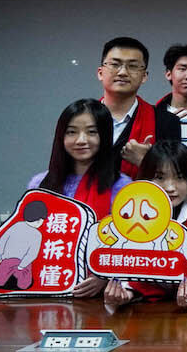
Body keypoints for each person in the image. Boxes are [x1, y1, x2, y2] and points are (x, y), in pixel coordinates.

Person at [103, 140, 187, 308]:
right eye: (160, 177)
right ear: (145, 178)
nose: (170, 187)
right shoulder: (129, 218)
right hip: (146, 312)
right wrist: (125, 292)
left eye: (180, 177)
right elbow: (127, 271)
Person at [22, 99, 128, 297]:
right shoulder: (39, 184)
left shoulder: (122, 187)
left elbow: (129, 246)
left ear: (105, 136)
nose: (81, 140)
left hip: (101, 297)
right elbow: (26, 237)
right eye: (71, 132)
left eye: (91, 132)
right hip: (46, 286)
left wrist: (105, 276)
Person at [96, 36, 182, 178]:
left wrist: (146, 162)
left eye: (133, 66)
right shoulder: (81, 117)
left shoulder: (166, 122)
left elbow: (174, 180)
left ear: (144, 76)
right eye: (115, 64)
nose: (123, 72)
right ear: (100, 73)